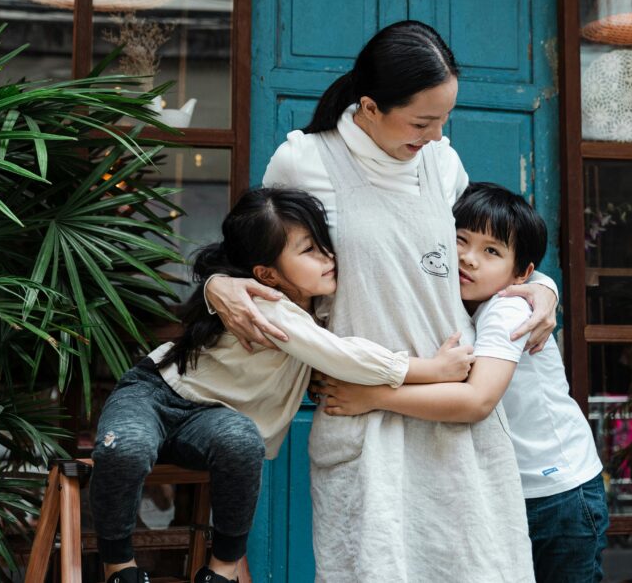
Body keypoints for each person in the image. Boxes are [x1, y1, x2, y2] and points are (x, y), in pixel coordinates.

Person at [205, 20, 557, 582]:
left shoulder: (442, 165)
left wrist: (544, 287)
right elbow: (249, 262)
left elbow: (489, 254)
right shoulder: (306, 162)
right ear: (369, 107)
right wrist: (216, 285)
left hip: (450, 413)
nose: (438, 135)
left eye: (445, 119)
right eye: (422, 121)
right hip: (361, 420)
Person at [89, 188, 475, 583]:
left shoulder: (318, 304)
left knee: (243, 443)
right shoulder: (268, 303)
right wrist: (432, 369)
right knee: (127, 449)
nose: (327, 257)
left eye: (324, 245)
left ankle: (220, 572)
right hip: (155, 393)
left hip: (211, 419)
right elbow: (341, 355)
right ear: (268, 274)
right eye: (309, 250)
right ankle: (120, 569)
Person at [316, 183, 610, 582]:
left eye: (492, 251)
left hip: (558, 494)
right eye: (460, 241)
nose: (468, 259)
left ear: (521, 274)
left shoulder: (506, 309)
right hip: (504, 490)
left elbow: (477, 401)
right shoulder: (448, 302)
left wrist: (374, 396)